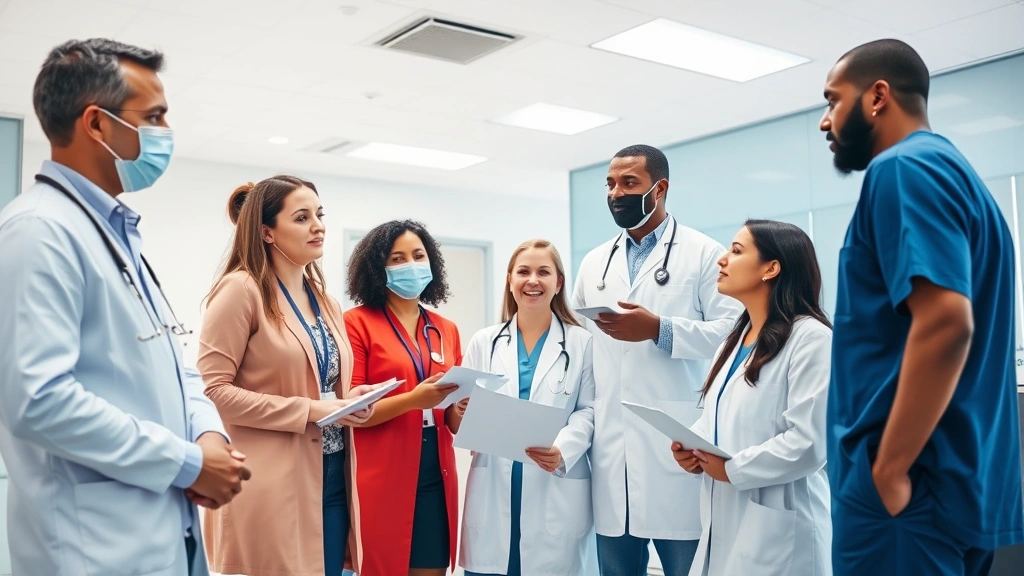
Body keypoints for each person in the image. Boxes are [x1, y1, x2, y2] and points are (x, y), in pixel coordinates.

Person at [0, 38, 247, 576]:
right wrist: (186, 463)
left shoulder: (114, 233)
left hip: (163, 533)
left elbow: (173, 362)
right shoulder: (39, 232)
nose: (164, 132)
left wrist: (207, 435)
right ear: (96, 124)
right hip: (94, 548)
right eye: (153, 116)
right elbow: (38, 400)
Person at [821, 39, 1024, 575]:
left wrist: (888, 469)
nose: (825, 122)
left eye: (833, 101)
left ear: (877, 96)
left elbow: (945, 324)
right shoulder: (963, 179)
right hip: (959, 482)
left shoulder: (902, 170)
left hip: (909, 493)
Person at [570, 144, 743, 575]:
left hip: (677, 445)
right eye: (610, 184)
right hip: (612, 448)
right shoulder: (594, 263)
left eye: (629, 183)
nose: (616, 193)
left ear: (659, 188)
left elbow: (734, 334)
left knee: (687, 565)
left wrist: (659, 330)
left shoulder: (704, 254)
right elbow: (578, 343)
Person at [198, 177, 379, 576]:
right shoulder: (240, 290)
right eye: (302, 217)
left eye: (319, 214)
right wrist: (312, 410)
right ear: (267, 232)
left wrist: (351, 398)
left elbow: (321, 380)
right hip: (271, 482)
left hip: (332, 477)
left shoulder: (326, 302)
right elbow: (213, 391)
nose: (318, 225)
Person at [672, 220, 832, 575]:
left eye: (737, 251)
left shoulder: (811, 339)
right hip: (725, 519)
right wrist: (695, 449)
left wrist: (732, 469)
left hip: (780, 528)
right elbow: (721, 416)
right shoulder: (734, 341)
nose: (722, 260)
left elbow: (810, 443)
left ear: (771, 268)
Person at [453, 239, 597, 576]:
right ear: (510, 280)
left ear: (558, 282)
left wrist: (564, 449)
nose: (533, 280)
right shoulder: (485, 341)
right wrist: (464, 409)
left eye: (543, 272)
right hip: (494, 487)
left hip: (554, 477)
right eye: (523, 272)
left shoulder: (582, 343)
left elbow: (588, 410)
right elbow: (462, 410)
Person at [344, 219, 464, 576]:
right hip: (382, 469)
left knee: (431, 566)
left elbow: (453, 420)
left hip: (436, 469)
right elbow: (353, 410)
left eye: (417, 255)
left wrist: (462, 406)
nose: (410, 265)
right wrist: (414, 400)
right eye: (397, 259)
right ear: (377, 268)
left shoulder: (446, 328)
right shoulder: (356, 323)